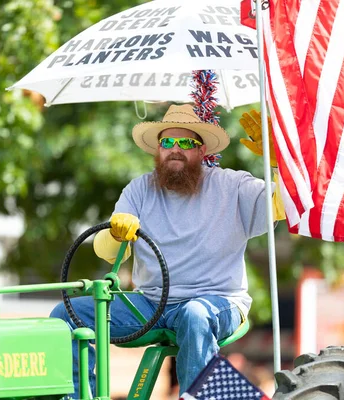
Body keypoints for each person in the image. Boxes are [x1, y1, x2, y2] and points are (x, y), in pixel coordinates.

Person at [50, 103, 285, 398]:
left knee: (194, 314)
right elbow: (106, 252)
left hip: (218, 301)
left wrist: (278, 163)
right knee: (65, 314)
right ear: (157, 151)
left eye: (186, 142)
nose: (175, 149)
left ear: (202, 152)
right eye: (167, 142)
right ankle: (81, 395)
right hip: (150, 304)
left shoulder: (232, 186)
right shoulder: (138, 190)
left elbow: (282, 206)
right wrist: (114, 232)